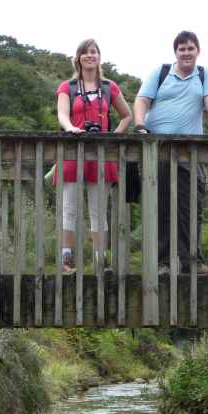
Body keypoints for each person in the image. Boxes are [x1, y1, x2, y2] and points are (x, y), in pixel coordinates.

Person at [133, 30, 208, 274]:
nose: (186, 53)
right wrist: (139, 126)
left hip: (191, 151)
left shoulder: (204, 74)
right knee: (161, 207)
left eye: (190, 48)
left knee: (190, 207)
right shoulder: (160, 72)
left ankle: (192, 261)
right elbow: (142, 100)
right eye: (182, 49)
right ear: (175, 52)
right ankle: (162, 263)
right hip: (158, 149)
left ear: (198, 51)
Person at [56, 38, 132, 273]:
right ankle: (67, 259)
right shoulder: (67, 87)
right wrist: (71, 128)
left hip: (101, 155)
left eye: (94, 52)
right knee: (69, 208)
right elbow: (62, 114)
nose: (90, 56)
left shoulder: (109, 87)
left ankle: (100, 261)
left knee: (99, 211)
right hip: (73, 152)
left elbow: (127, 115)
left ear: (99, 57)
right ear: (78, 58)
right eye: (85, 52)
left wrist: (113, 137)